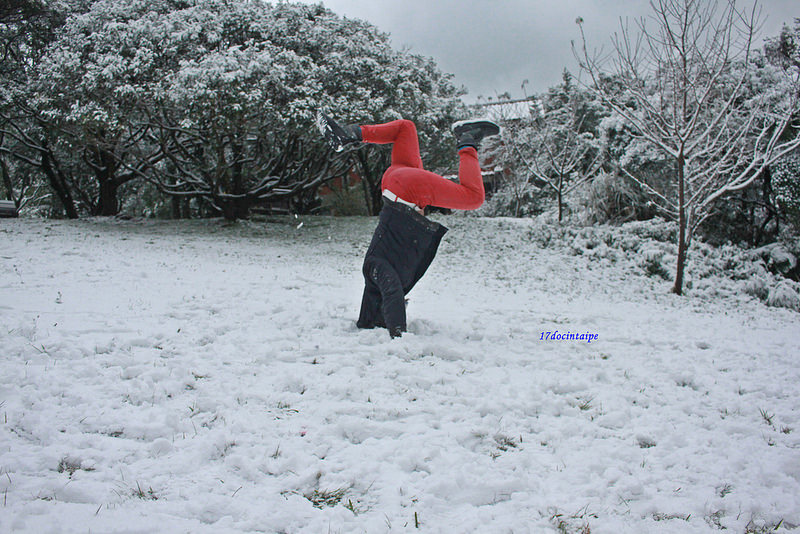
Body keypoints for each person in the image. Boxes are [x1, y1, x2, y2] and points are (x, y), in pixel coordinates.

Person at [318, 113, 500, 338]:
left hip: (407, 191)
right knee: (405, 128)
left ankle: (467, 139)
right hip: (393, 181)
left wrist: (398, 333)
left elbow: (392, 292)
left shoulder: (374, 268)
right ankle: (349, 134)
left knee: (473, 197)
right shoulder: (375, 270)